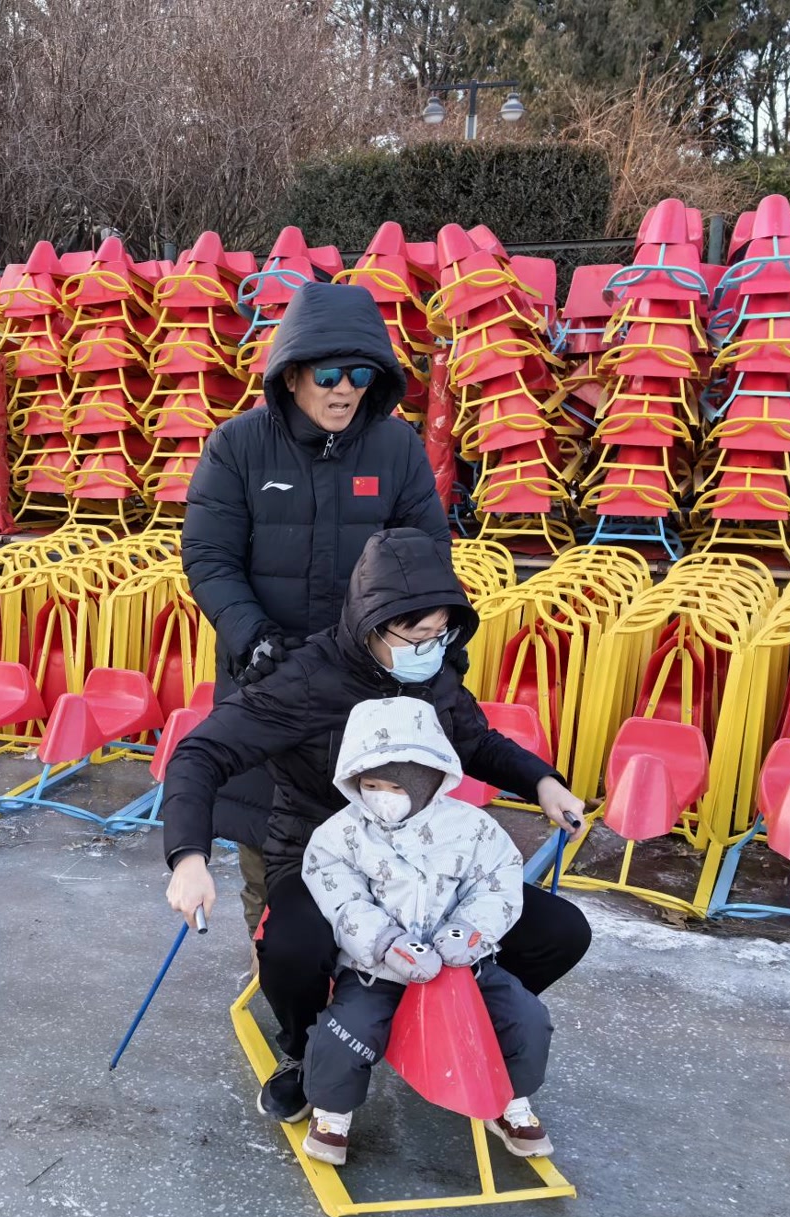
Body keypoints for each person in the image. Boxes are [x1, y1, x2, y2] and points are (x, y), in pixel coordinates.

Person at [160, 527, 590, 1126]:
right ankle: (308, 1050)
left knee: (561, 931)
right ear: (373, 624)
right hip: (324, 857)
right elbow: (202, 753)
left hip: (428, 861)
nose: (430, 648)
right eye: (416, 637)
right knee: (291, 945)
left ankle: (447, 1018)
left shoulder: (434, 674)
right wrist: (188, 856)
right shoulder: (304, 679)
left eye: (440, 634)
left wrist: (542, 781)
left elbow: (476, 741)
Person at [181, 280, 450, 938]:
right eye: (328, 374)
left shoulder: (396, 448)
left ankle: (363, 980)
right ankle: (277, 977)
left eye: (361, 374)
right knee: (271, 858)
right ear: (292, 374)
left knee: (375, 851)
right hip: (270, 681)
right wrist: (250, 636)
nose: (344, 390)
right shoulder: (238, 446)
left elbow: (427, 560)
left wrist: (432, 648)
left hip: (370, 688)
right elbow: (209, 557)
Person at [299, 696, 555, 1167]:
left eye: (394, 786)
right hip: (378, 969)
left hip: (463, 966)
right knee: (347, 1032)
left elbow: (497, 882)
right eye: (370, 784)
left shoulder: (472, 828)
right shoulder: (341, 834)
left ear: (425, 780)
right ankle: (332, 1111)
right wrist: (386, 943)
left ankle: (510, 1099)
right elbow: (342, 898)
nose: (381, 796)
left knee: (525, 1018)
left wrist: (470, 932)